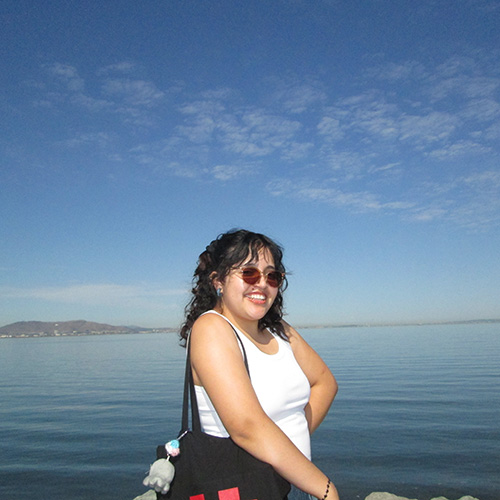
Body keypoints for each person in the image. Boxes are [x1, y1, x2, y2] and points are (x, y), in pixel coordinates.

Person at [180, 229, 339, 500]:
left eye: (272, 275)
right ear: (218, 280)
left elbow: (325, 383)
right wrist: (326, 489)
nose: (262, 283)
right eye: (249, 273)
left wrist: (289, 450)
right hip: (249, 488)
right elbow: (246, 426)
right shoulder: (212, 328)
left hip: (297, 482)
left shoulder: (279, 330)